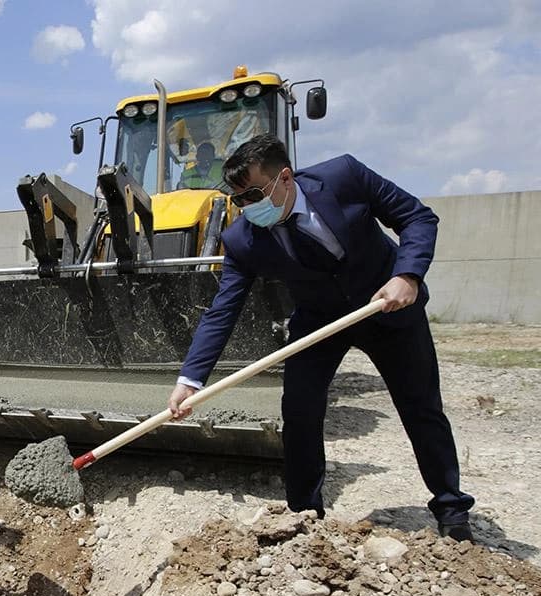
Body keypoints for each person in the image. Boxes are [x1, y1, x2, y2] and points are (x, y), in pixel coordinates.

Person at [166, 135, 474, 541]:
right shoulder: (242, 240)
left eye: (255, 194)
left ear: (286, 178)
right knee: (298, 410)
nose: (247, 207)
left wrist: (408, 275)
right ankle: (304, 516)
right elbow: (223, 311)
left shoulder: (344, 177)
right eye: (239, 199)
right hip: (319, 319)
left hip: (387, 305)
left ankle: (451, 509)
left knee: (421, 408)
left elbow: (417, 217)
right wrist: (190, 380)